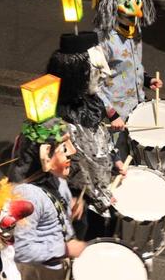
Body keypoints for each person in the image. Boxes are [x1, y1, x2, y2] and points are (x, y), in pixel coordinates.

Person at [47, 31, 127, 239]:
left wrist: (115, 159)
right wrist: (75, 199)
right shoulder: (56, 121)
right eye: (98, 68)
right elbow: (69, 169)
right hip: (77, 208)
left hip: (101, 197)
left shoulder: (92, 102)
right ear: (77, 72)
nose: (107, 73)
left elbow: (102, 137)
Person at [92, 0, 163, 159]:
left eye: (138, 0)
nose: (137, 11)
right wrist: (112, 114)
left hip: (137, 106)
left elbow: (133, 65)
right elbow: (93, 84)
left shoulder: (135, 30)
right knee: (118, 162)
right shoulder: (102, 40)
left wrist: (147, 79)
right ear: (111, 5)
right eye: (127, 2)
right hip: (116, 117)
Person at [8, 117, 86, 280]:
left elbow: (51, 206)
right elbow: (21, 250)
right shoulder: (28, 197)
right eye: (64, 147)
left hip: (59, 260)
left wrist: (68, 204)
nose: (72, 152)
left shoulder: (54, 176)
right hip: (41, 271)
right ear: (46, 156)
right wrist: (65, 249)